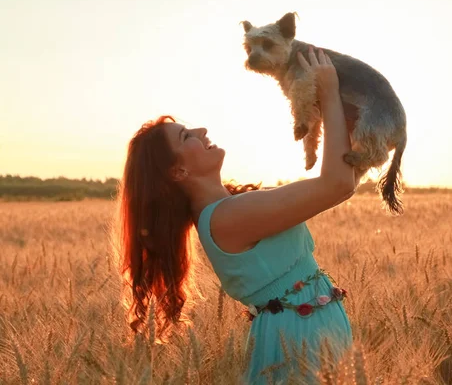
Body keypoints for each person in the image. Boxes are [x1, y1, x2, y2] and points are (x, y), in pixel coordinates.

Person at [114, 46, 356, 384]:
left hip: (310, 334)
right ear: (177, 172)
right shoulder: (226, 218)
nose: (201, 131)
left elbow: (342, 177)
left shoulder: (229, 209)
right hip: (296, 343)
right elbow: (338, 184)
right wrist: (329, 94)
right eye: (186, 137)